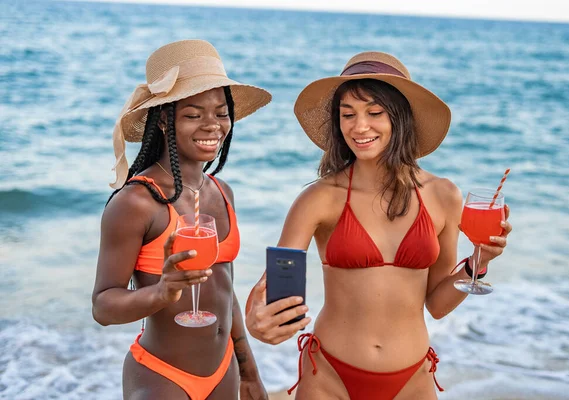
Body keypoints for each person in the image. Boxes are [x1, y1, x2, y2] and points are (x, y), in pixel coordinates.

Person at [245, 51, 512, 399]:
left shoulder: (443, 195)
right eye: (347, 115)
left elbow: (438, 303)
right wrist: (257, 320)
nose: (359, 127)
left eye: (374, 113)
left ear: (400, 119)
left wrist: (480, 262)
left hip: (413, 380)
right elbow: (275, 286)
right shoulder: (319, 198)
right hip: (329, 377)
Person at [92, 40, 272, 400]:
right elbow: (103, 306)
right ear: (163, 120)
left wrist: (249, 371)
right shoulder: (138, 202)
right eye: (193, 114)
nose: (213, 126)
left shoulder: (222, 192)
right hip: (162, 377)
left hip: (226, 372)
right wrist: (162, 292)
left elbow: (223, 288)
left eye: (221, 113)